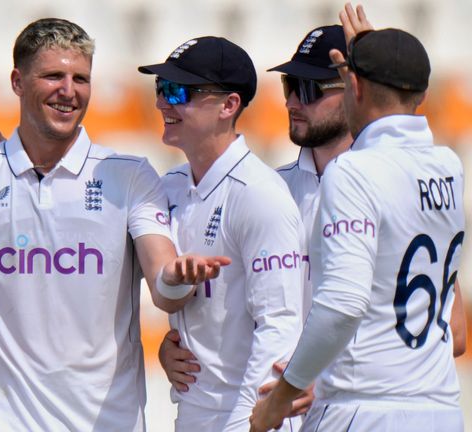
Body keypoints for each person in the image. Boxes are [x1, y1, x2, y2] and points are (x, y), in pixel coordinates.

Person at [0, 18, 228, 431]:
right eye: (53, 75)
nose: (69, 90)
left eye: (81, 78)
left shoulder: (129, 175)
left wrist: (178, 278)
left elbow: (165, 286)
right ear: (17, 82)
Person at [250, 4, 466, 431]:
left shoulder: (352, 172)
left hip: (364, 409)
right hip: (441, 411)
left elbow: (342, 306)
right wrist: (384, 58)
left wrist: (282, 398)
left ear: (353, 84)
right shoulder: (448, 165)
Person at [136, 36, 304, 431]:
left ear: (229, 106)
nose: (163, 103)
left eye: (179, 91)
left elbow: (279, 325)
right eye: (161, 90)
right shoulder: (168, 186)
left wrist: (249, 421)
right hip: (193, 412)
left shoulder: (259, 194)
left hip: (244, 415)